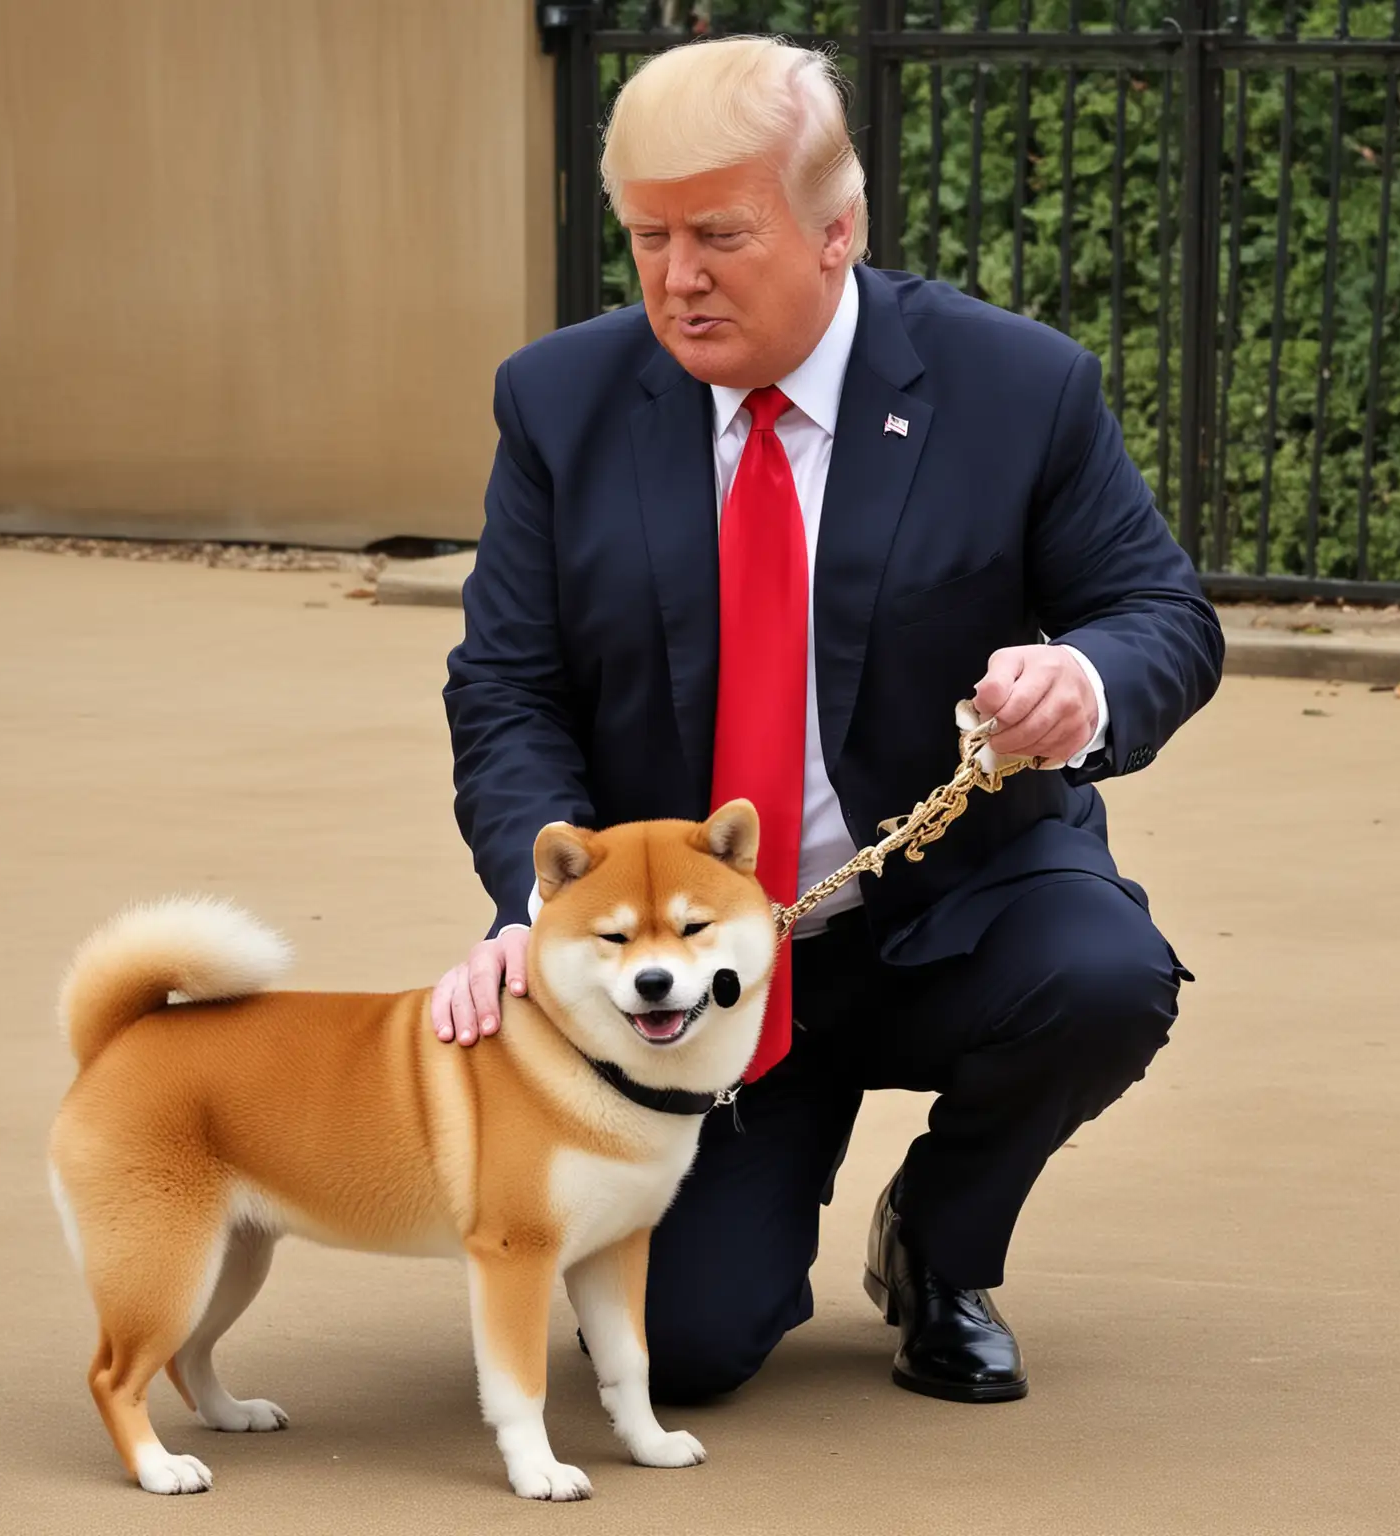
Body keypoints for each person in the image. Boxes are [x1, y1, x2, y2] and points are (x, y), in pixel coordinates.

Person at [437, 35, 1223, 1407]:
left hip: (952, 910)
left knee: (1103, 977)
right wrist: (543, 905)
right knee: (683, 1352)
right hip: (687, 963)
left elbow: (1160, 612)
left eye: (721, 235)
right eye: (649, 237)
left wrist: (1080, 681)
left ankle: (940, 1247)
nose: (679, 278)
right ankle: (743, 1186)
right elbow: (507, 691)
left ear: (835, 229)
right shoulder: (559, 404)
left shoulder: (1016, 387)